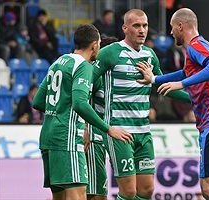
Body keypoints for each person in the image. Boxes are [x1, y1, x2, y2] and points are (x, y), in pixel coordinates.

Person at [136, 8, 209, 200]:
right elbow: (184, 73)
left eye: (172, 27)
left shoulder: (195, 45)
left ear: (180, 26)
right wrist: (155, 79)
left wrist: (181, 85)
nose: (171, 32)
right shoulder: (199, 47)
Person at [94, 9, 191, 200]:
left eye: (144, 26)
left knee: (146, 190)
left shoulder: (150, 55)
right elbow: (88, 86)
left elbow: (163, 86)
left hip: (144, 132)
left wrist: (195, 99)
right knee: (128, 192)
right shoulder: (109, 53)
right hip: (120, 132)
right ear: (125, 28)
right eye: (136, 26)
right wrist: (90, 125)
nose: (141, 30)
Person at [32, 24, 133, 200]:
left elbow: (38, 101)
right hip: (68, 140)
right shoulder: (84, 66)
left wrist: (60, 110)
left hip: (48, 138)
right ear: (94, 45)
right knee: (77, 195)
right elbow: (80, 103)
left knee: (60, 198)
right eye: (99, 44)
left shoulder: (59, 61)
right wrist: (109, 129)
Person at [86, 35, 119, 200]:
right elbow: (79, 102)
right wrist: (84, 128)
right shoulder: (96, 75)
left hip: (112, 135)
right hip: (94, 137)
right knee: (96, 195)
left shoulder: (116, 77)